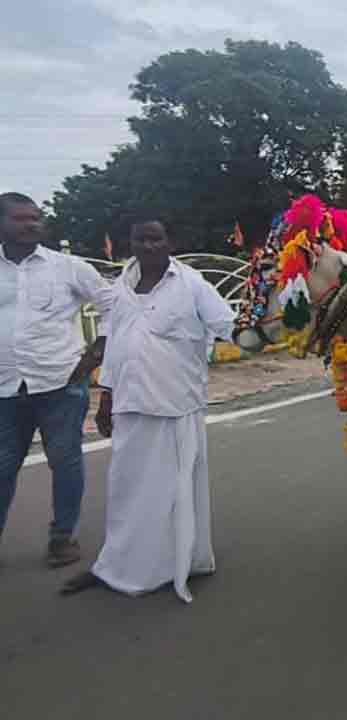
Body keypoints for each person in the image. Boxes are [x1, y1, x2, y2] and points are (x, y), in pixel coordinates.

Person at [62, 220, 235, 602]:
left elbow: (228, 323)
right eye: (141, 238)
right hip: (129, 403)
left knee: (171, 493)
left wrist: (276, 319)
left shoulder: (191, 284)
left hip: (175, 405)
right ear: (132, 243)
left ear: (171, 242)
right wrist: (105, 398)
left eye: (157, 238)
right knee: (125, 491)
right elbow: (116, 345)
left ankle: (177, 563)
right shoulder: (121, 287)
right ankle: (116, 566)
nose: (149, 244)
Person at [0, 192, 110, 567]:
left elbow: (115, 306)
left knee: (64, 462)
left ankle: (62, 538)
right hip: (4, 387)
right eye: (20, 218)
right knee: (2, 466)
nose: (31, 224)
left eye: (35, 217)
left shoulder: (67, 267)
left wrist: (95, 355)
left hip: (60, 384)